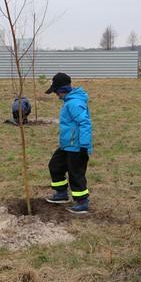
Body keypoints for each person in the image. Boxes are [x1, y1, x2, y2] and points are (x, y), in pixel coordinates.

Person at [45, 72, 92, 214]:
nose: (56, 95)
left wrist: (84, 146)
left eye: (56, 92)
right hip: (67, 145)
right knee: (55, 165)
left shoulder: (74, 103)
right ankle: (61, 194)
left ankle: (82, 202)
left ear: (62, 90)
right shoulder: (68, 101)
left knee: (75, 173)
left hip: (77, 146)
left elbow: (84, 123)